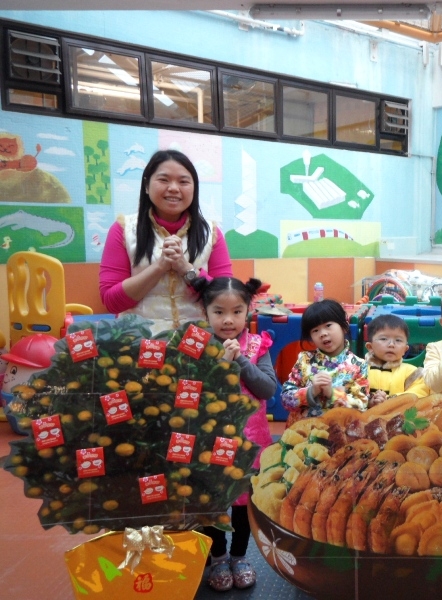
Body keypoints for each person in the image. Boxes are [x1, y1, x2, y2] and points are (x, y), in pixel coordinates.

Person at [191, 275, 278, 592]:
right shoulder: (196, 347)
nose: (228, 320)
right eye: (219, 312)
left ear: (247, 312)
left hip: (250, 443)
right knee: (212, 502)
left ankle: (240, 557)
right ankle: (218, 558)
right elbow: (189, 392)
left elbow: (267, 388)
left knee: (243, 505)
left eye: (237, 312)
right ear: (205, 312)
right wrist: (219, 365)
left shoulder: (257, 345)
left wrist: (240, 360)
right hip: (208, 442)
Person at [99, 149, 232, 334]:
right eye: (164, 180)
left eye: (183, 181)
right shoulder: (123, 229)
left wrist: (186, 269)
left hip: (198, 341)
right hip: (139, 341)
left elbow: (227, 299)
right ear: (146, 186)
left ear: (194, 188)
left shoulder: (211, 233)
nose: (174, 188)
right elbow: (111, 302)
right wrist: (159, 267)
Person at [281, 298, 369, 424]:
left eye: (328, 326)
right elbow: (285, 400)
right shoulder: (304, 360)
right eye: (315, 330)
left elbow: (362, 406)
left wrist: (332, 393)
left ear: (344, 327)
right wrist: (310, 392)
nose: (322, 333)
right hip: (302, 432)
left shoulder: (358, 365)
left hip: (339, 432)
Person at [364, 314, 429, 406]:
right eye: (384, 339)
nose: (391, 344)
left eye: (398, 340)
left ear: (405, 350)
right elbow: (351, 392)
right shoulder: (359, 368)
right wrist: (369, 401)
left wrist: (390, 399)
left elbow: (420, 393)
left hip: (400, 413)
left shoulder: (412, 372)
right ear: (370, 347)